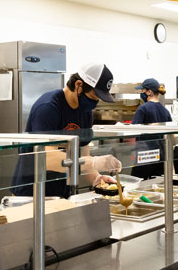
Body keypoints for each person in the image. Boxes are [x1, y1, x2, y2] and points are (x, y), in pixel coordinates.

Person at [10, 63, 122, 198]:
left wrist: (96, 178)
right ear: (78, 85)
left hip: (61, 190)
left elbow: (84, 155)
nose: (95, 102)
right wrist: (94, 162)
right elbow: (47, 159)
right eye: (93, 96)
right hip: (32, 191)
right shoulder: (48, 107)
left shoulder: (85, 112)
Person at [129, 78, 172, 179]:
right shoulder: (165, 110)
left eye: (143, 90)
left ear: (149, 92)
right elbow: (171, 133)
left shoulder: (143, 108)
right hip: (161, 156)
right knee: (156, 185)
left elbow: (132, 131)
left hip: (145, 155)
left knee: (137, 185)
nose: (141, 93)